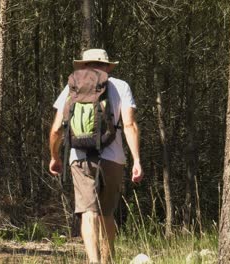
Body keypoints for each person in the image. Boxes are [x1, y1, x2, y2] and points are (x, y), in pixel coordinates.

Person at [49, 49, 143, 264]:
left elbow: (56, 129)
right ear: (108, 66)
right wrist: (136, 159)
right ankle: (107, 261)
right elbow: (129, 124)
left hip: (80, 157)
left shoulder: (72, 87)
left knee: (88, 211)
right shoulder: (121, 86)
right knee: (107, 212)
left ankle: (93, 261)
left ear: (83, 65)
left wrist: (54, 156)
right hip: (114, 158)